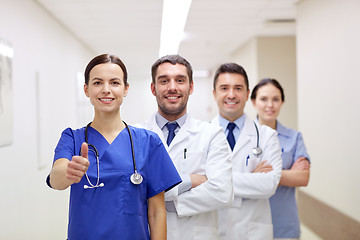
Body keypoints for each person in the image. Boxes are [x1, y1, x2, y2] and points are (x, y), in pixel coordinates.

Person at [46, 54, 181, 240]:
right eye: (97, 83)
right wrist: (69, 172)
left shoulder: (148, 142)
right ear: (86, 89)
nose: (106, 90)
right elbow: (56, 179)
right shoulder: (73, 138)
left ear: (125, 89)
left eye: (115, 83)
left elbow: (157, 212)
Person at [138, 55, 233, 240]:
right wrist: (189, 181)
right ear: (153, 88)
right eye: (164, 81)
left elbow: (222, 192)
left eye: (180, 80)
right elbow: (130, 191)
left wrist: (157, 199)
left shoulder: (212, 135)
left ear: (190, 87)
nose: (172, 87)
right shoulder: (135, 135)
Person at [211, 63, 282, 240]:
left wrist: (213, 179)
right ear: (214, 94)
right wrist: (251, 178)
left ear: (247, 93)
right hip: (213, 229)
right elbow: (193, 184)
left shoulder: (267, 136)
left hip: (253, 232)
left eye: (238, 88)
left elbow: (269, 185)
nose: (231, 94)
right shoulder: (201, 135)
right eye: (224, 88)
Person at [251, 78, 310, 240]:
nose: (270, 105)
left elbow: (303, 177)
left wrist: (261, 176)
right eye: (264, 99)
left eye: (276, 99)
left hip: (285, 224)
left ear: (282, 102)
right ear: (253, 101)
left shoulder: (294, 137)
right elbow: (235, 177)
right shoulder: (244, 136)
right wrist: (287, 174)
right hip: (250, 222)